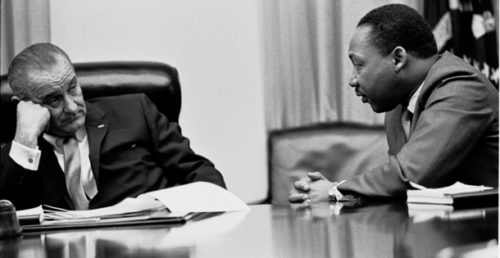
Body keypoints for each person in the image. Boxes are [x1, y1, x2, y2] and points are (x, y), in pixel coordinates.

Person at [289, 4, 498, 204]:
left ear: (398, 58)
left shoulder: (460, 87)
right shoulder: (397, 106)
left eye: (359, 65)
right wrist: (330, 192)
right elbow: (397, 189)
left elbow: (411, 174)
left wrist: (335, 190)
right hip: (441, 231)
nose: (352, 80)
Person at [0, 43, 226, 210]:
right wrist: (25, 141)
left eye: (72, 88)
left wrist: (167, 209)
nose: (71, 106)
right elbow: (6, 223)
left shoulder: (135, 111)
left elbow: (204, 175)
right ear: (24, 105)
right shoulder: (16, 157)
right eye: (53, 99)